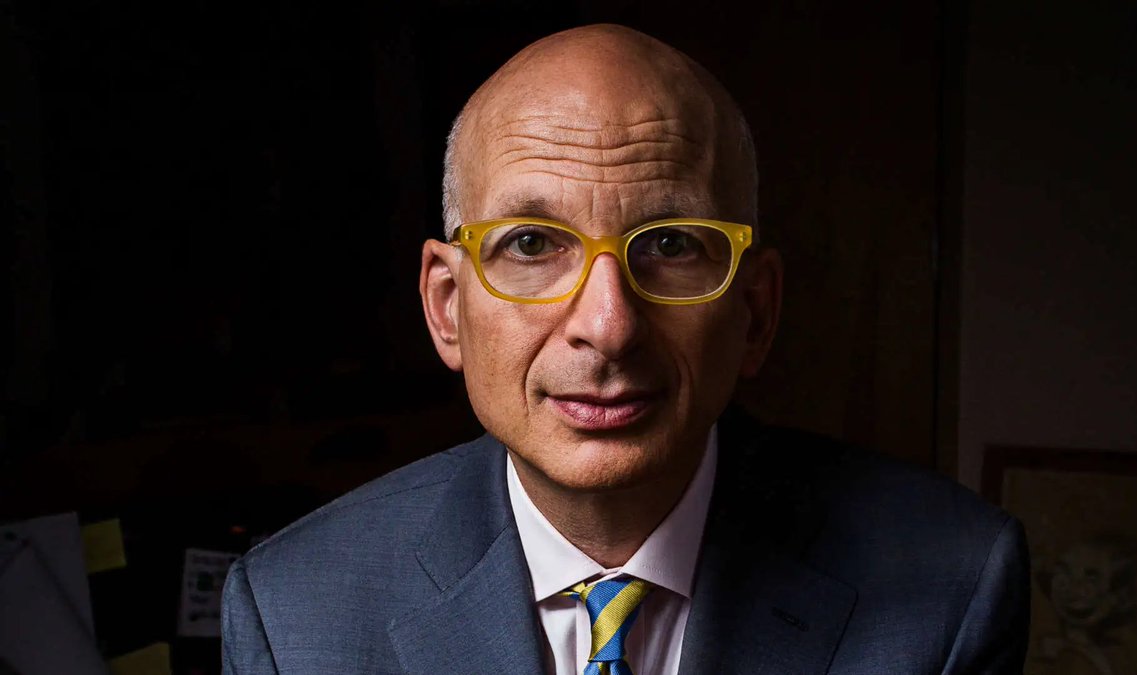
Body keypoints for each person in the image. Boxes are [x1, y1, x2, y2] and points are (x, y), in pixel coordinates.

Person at [221, 24, 1030, 674]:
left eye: (671, 244)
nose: (608, 326)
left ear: (755, 311)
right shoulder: (295, 615)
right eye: (532, 243)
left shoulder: (952, 586)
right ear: (446, 308)